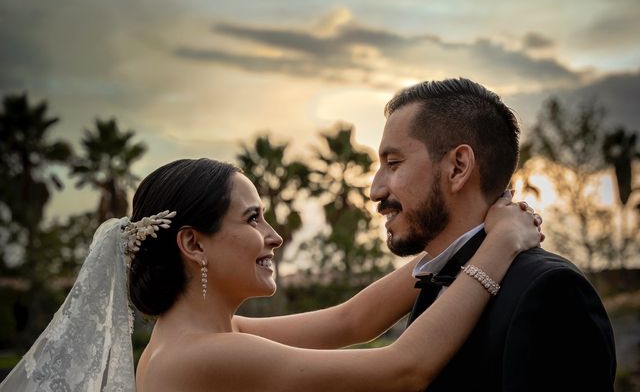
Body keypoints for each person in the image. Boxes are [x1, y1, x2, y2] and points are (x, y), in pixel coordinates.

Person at [0, 158, 541, 392]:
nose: (275, 237)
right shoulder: (210, 355)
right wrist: (501, 244)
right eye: (253, 219)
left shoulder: (194, 339)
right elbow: (406, 369)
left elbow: (350, 320)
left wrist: (466, 238)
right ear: (192, 243)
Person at [368, 78, 616, 391]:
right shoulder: (435, 280)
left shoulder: (550, 290)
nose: (375, 190)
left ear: (458, 167)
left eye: (393, 163)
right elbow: (361, 331)